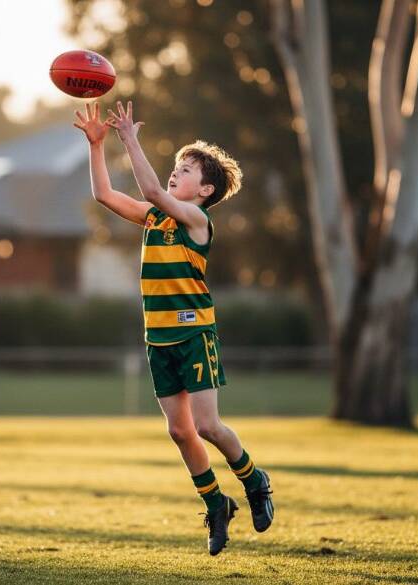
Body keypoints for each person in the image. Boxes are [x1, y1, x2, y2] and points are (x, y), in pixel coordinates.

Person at [73, 101, 273, 556]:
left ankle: (253, 479)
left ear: (204, 190)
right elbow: (105, 195)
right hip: (158, 338)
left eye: (185, 170)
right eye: (176, 167)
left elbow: (151, 190)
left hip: (195, 334)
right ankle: (215, 504)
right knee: (179, 433)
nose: (174, 174)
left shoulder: (198, 222)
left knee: (206, 426)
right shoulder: (154, 217)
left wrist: (130, 138)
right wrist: (97, 145)